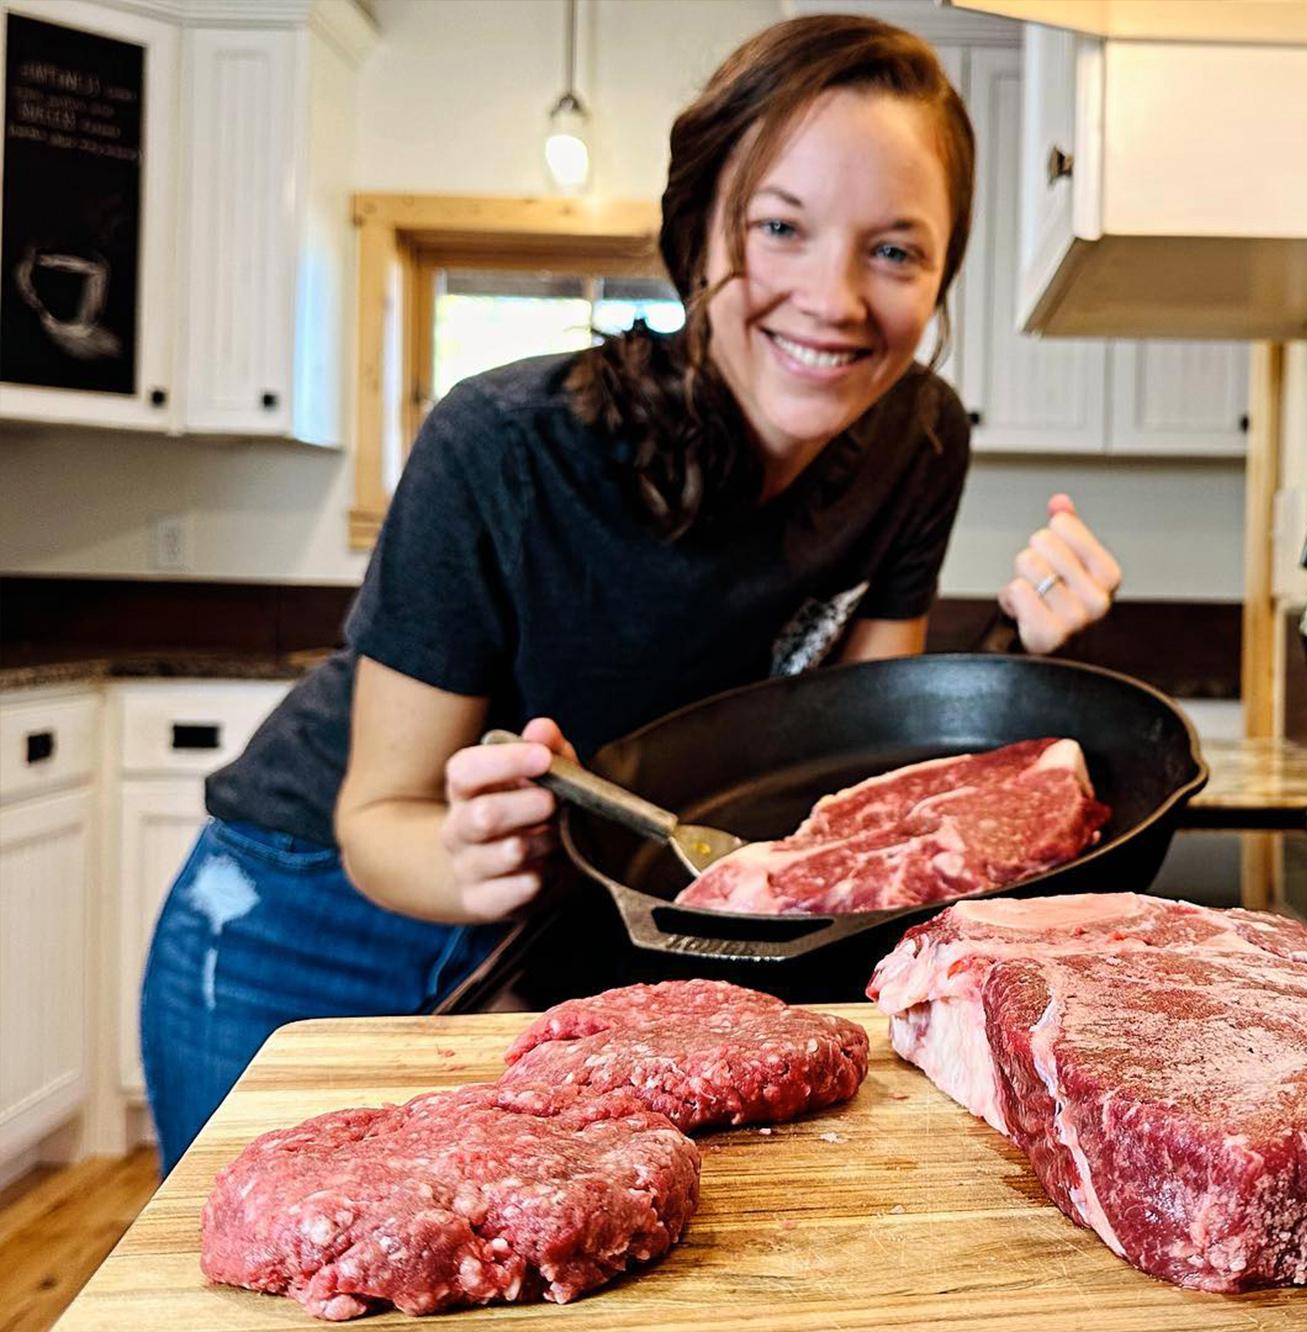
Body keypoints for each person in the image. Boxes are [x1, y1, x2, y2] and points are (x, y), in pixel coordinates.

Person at [138, 14, 1122, 1172]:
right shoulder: (504, 445)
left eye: (895, 252)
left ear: (944, 269)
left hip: (557, 925)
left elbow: (863, 751)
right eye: (779, 229)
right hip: (304, 916)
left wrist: (1015, 647)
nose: (835, 297)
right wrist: (472, 857)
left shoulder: (919, 440)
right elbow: (377, 817)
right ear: (696, 229)